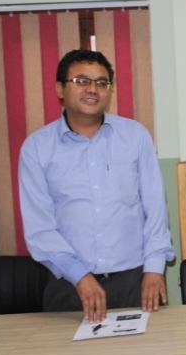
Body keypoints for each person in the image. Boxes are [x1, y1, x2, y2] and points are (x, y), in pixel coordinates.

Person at [19, 49, 175, 322]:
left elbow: (155, 209)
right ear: (60, 89)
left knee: (144, 351)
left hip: (134, 283)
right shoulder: (37, 148)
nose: (93, 89)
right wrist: (80, 276)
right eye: (82, 81)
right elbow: (39, 229)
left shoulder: (134, 136)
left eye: (102, 83)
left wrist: (154, 268)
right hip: (69, 286)